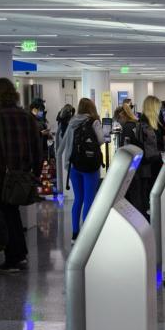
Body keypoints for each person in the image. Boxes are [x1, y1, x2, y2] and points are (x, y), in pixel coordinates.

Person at [0, 77, 43, 272]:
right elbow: (37, 148)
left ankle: (13, 257)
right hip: (22, 176)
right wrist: (36, 173)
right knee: (12, 212)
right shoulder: (27, 117)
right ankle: (19, 254)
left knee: (6, 214)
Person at [57, 98, 107, 240]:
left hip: (74, 166)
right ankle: (87, 237)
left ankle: (75, 234)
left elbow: (64, 145)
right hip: (90, 167)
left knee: (78, 199)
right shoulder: (94, 121)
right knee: (89, 200)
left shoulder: (72, 122)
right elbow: (101, 140)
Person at [122, 95, 164, 217]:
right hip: (151, 164)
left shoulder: (148, 123)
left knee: (146, 193)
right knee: (146, 193)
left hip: (150, 163)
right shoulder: (147, 124)